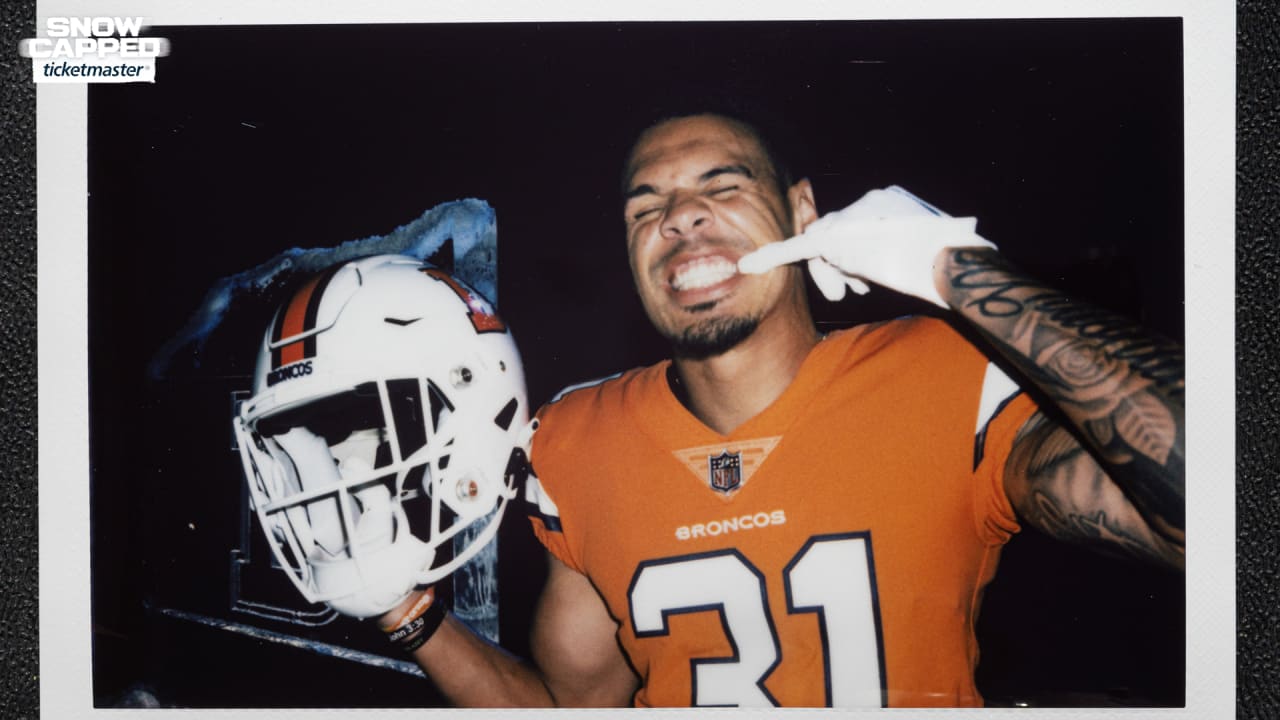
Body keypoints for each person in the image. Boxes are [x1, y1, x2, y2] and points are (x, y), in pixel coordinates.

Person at [375, 111, 1185, 708]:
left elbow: (1221, 506)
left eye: (721, 186)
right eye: (643, 207)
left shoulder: (949, 374)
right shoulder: (576, 437)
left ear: (803, 213)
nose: (677, 217)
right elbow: (570, 707)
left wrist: (959, 273)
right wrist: (406, 614)